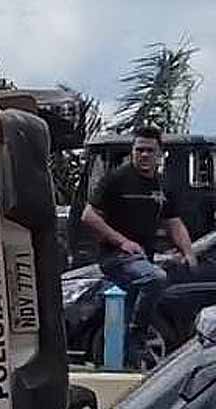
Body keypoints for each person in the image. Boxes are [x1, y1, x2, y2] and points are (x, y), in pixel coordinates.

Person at [82, 125, 195, 368]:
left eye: (149, 151)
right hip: (116, 257)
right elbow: (88, 216)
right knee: (155, 278)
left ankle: (124, 362)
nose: (143, 155)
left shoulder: (163, 186)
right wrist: (122, 241)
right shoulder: (117, 180)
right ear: (132, 151)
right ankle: (138, 338)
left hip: (142, 259)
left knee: (130, 305)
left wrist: (188, 252)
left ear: (159, 154)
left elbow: (174, 223)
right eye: (139, 150)